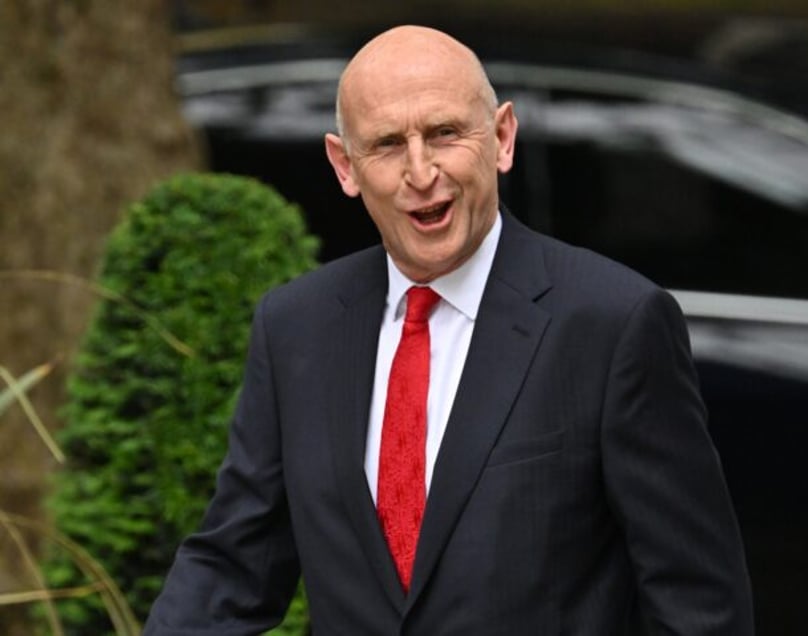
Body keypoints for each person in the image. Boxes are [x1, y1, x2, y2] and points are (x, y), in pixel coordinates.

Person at [143, 25, 754, 635]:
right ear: (345, 166)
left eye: (444, 133)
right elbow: (233, 570)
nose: (420, 170)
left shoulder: (614, 323)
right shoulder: (296, 328)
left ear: (502, 138)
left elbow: (697, 606)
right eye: (386, 144)